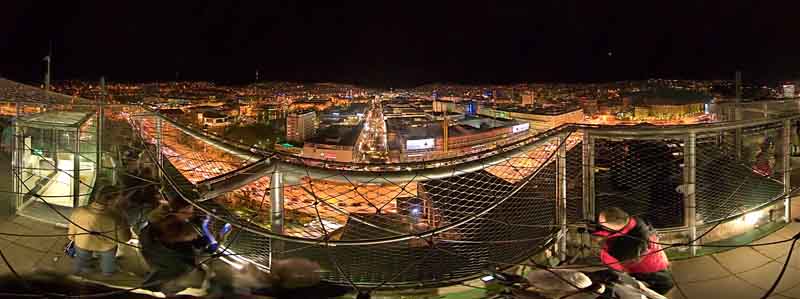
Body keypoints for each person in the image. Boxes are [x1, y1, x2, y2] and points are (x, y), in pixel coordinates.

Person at [592, 207, 673, 295]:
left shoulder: (629, 246)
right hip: (653, 260)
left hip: (650, 267)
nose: (599, 224)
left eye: (601, 223)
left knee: (665, 284)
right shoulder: (634, 220)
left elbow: (623, 265)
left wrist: (602, 241)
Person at [67, 185, 132, 276]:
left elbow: (71, 232)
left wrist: (73, 238)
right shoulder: (117, 216)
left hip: (83, 243)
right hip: (107, 247)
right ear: (114, 200)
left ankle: (83, 270)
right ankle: (107, 273)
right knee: (108, 263)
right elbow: (125, 238)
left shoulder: (79, 210)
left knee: (81, 260)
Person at [523, 268, 667, 299]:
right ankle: (525, 281)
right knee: (578, 279)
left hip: (599, 293)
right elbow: (642, 289)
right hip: (604, 287)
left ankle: (526, 288)